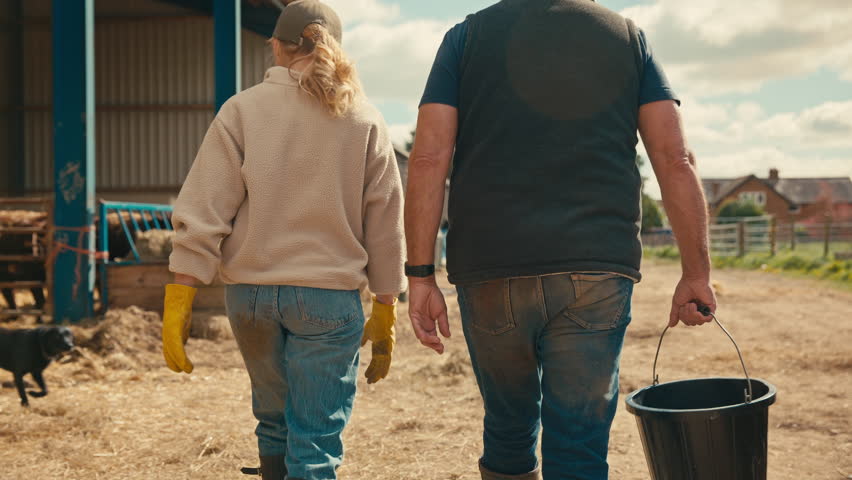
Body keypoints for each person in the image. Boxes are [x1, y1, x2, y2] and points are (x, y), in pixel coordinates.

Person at [404, 1, 717, 479]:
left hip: (491, 265)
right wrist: (696, 274)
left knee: (508, 427)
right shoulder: (627, 38)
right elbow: (675, 160)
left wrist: (421, 275)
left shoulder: (465, 38)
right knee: (579, 441)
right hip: (597, 268)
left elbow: (428, 158)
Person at [160, 2, 406, 479]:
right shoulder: (364, 119)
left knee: (273, 423)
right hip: (328, 300)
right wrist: (386, 301)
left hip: (250, 297)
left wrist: (181, 294)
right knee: (314, 439)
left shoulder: (243, 109)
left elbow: (205, 207)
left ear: (276, 44)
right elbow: (385, 220)